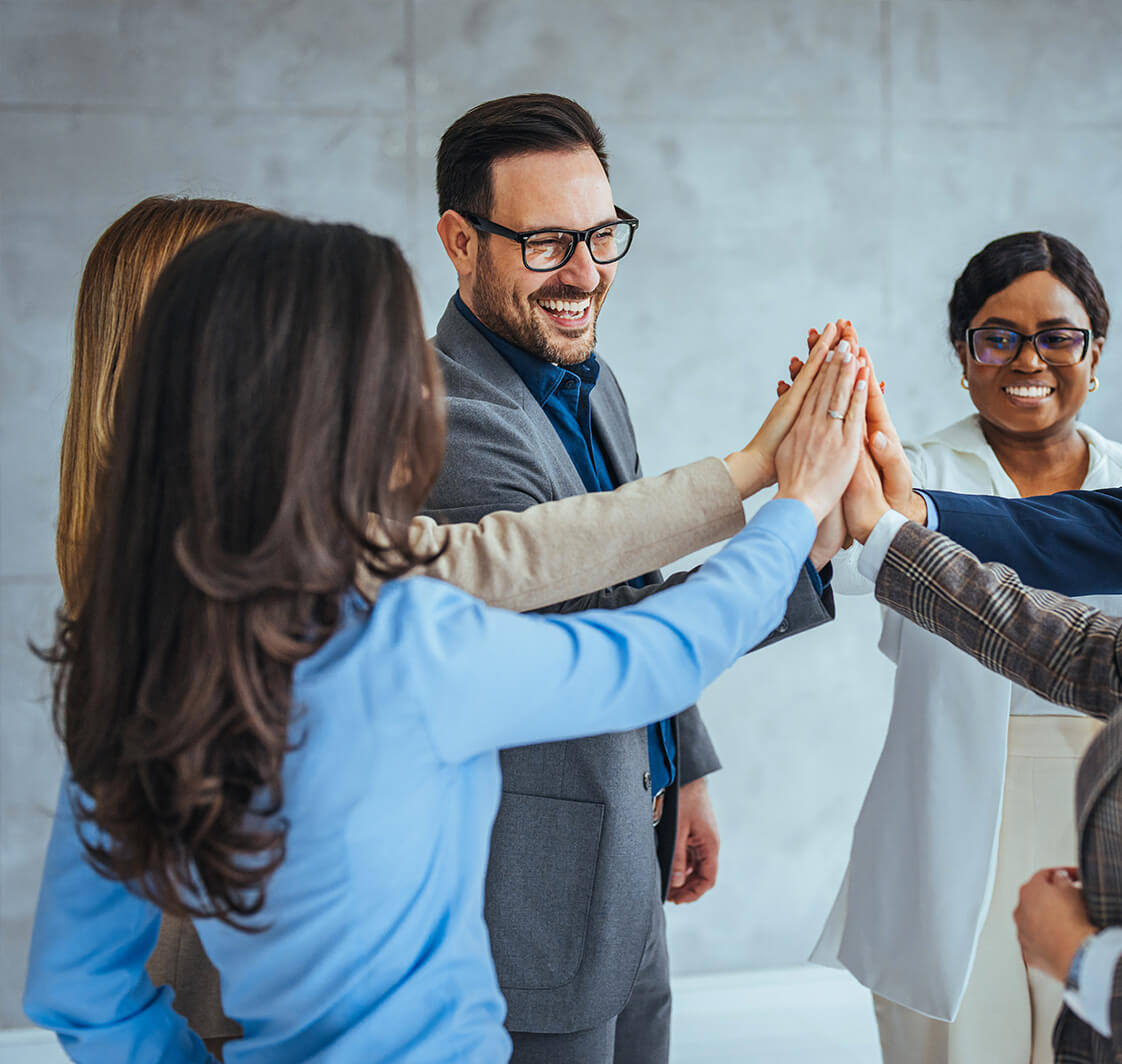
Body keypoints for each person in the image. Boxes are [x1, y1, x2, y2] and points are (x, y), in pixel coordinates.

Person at [24, 213, 869, 1063]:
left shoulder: (130, 670)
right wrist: (794, 506)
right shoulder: (405, 644)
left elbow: (82, 989)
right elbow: (660, 653)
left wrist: (768, 481)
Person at [428, 93, 835, 1062]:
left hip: (626, 841)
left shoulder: (590, 377)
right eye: (547, 243)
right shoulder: (443, 416)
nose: (585, 274)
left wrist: (679, 762)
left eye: (603, 235)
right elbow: (606, 637)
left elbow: (630, 572)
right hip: (532, 891)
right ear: (459, 238)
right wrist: (800, 526)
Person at [810, 232, 1121, 1063]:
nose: (1030, 359)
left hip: (1103, 796)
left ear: (1096, 352)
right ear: (963, 353)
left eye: (1059, 336)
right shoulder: (899, 472)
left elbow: (1049, 546)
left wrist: (904, 518)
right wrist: (818, 475)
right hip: (949, 819)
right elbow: (829, 560)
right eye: (998, 336)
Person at [838, 430, 1122, 1064]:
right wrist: (900, 522)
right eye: (996, 338)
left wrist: (1083, 961)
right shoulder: (931, 460)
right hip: (955, 814)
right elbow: (1075, 645)